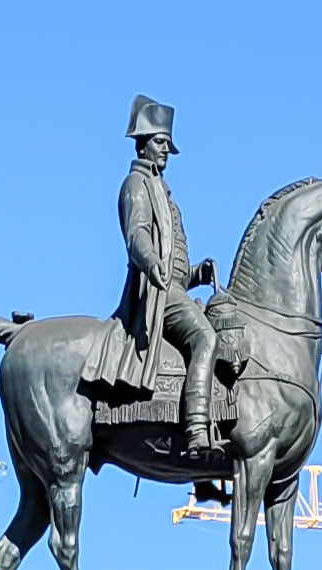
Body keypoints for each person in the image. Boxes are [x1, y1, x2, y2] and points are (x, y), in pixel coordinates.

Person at [81, 96, 219, 457]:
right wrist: (151, 261)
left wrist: (193, 274)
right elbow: (137, 233)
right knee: (205, 337)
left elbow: (172, 266)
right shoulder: (136, 185)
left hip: (172, 288)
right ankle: (196, 431)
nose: (166, 152)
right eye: (160, 143)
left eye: (168, 146)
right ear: (142, 142)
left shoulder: (164, 191)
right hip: (157, 294)